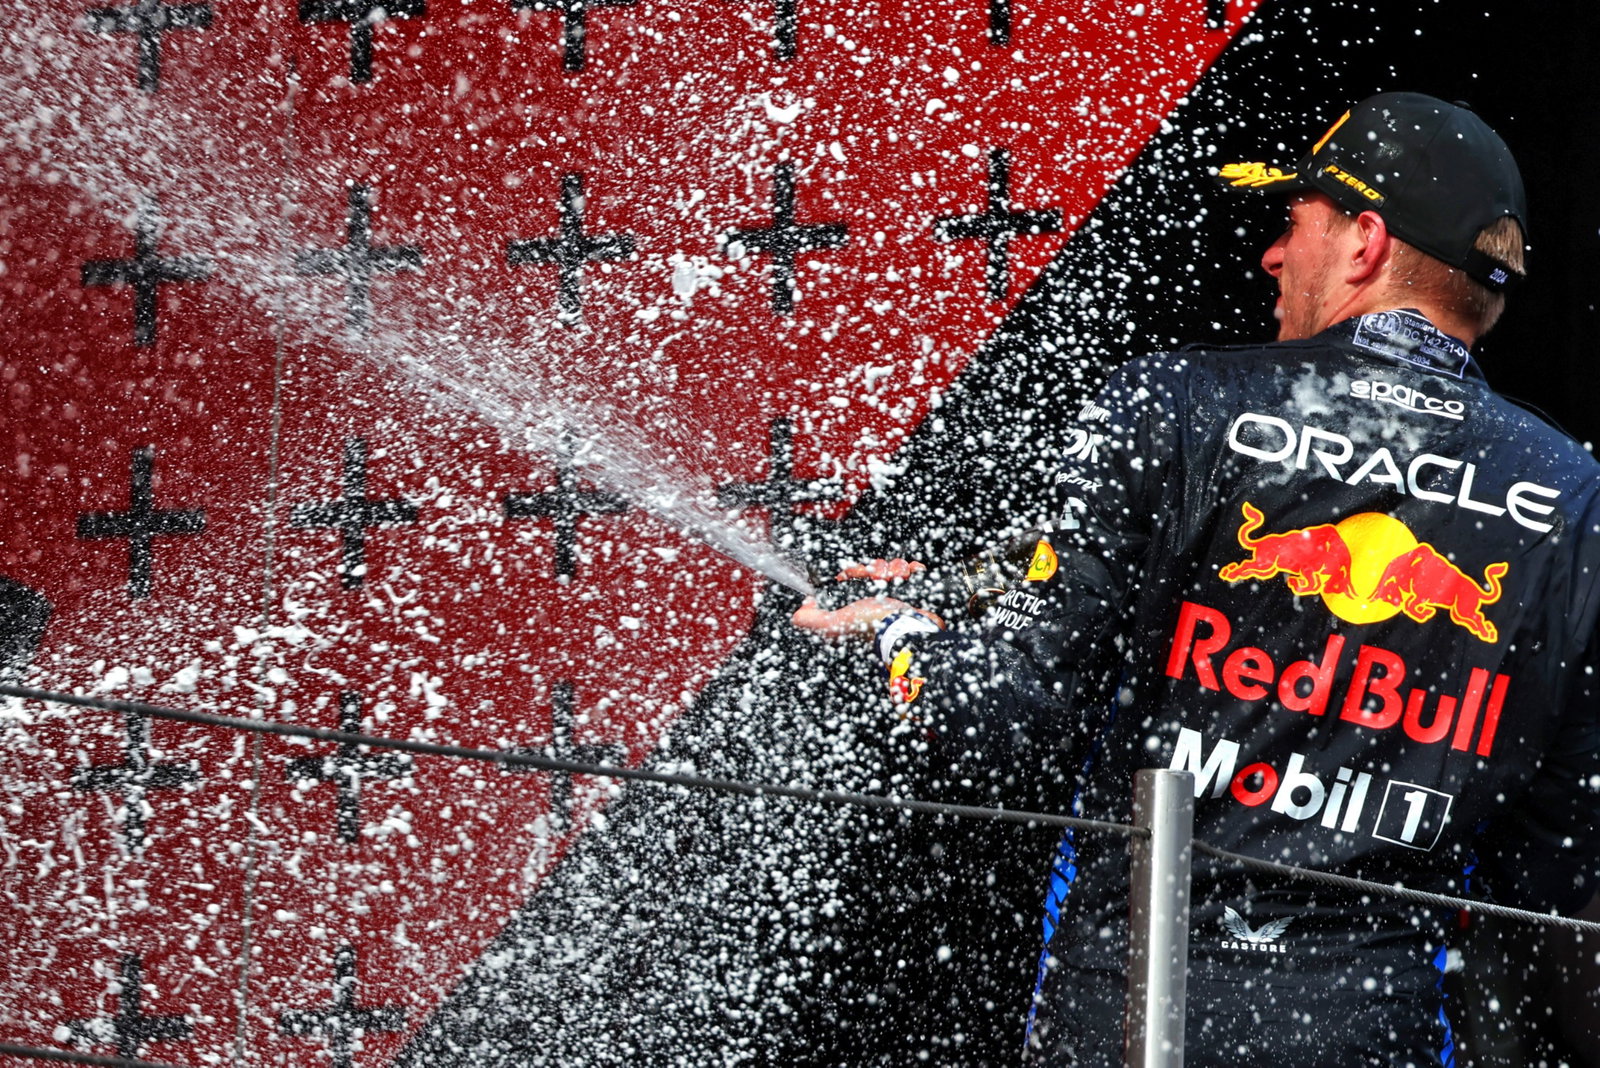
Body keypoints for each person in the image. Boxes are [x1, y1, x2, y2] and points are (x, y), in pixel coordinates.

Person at [793, 92, 1600, 1066]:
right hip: (1371, 1027)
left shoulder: (1175, 402)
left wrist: (894, 634)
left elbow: (1004, 707)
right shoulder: (1568, 490)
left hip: (1137, 1012)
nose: (1271, 255)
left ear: (1363, 243)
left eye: (1293, 221)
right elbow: (1557, 845)